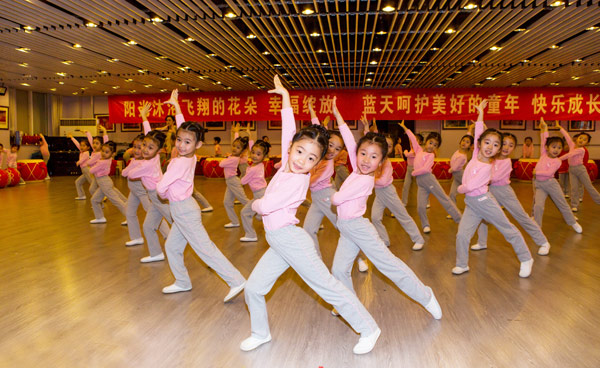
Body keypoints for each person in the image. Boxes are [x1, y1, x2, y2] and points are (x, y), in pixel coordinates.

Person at [241, 76, 381, 355]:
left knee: (327, 286)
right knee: (254, 288)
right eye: (299, 151)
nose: (301, 159)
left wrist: (255, 205)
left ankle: (369, 328)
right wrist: (285, 100)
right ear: (291, 148)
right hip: (278, 242)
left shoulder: (298, 180)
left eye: (311, 159)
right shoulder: (286, 167)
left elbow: (266, 207)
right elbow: (289, 131)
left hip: (292, 241)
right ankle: (260, 333)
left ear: (317, 165)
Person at [329, 96, 441, 325]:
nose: (366, 160)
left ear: (381, 163)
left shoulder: (365, 180)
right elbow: (351, 143)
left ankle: (426, 295)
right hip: (347, 229)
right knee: (339, 270)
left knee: (388, 265)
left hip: (358, 228)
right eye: (362, 154)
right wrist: (339, 117)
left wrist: (332, 194)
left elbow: (337, 198)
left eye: (373, 157)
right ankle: (345, 304)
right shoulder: (358, 169)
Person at [157, 89, 246, 299]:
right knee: (172, 247)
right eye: (179, 140)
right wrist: (177, 107)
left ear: (197, 145)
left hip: (184, 211)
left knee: (205, 249)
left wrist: (163, 187)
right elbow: (185, 130)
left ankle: (237, 280)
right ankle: (182, 281)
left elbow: (161, 189)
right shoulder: (191, 157)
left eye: (187, 142)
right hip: (181, 211)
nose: (181, 144)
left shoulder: (179, 162)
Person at [453, 100, 534, 278]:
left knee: (507, 229)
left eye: (496, 145)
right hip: (472, 204)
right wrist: (481, 112)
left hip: (484, 202)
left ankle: (526, 258)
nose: (490, 147)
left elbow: (470, 186)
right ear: (480, 144)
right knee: (462, 235)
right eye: (487, 142)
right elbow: (479, 131)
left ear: (498, 150)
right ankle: (462, 264)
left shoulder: (487, 168)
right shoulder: (475, 154)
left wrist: (459, 188)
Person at [472, 133, 552, 256]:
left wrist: (479, 178)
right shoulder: (491, 158)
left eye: (511, 145)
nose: (506, 147)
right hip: (490, 190)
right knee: (483, 216)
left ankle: (543, 242)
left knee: (521, 216)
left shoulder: (507, 162)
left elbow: (494, 178)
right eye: (504, 144)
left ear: (514, 149)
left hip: (504, 191)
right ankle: (482, 242)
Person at [126, 105, 172, 263]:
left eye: (149, 147)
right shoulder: (153, 156)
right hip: (154, 197)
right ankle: (156, 253)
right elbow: (149, 138)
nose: (144, 149)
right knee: (148, 226)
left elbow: (131, 175)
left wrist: (133, 166)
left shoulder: (146, 164)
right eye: (143, 145)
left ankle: (191, 245)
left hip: (159, 196)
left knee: (177, 223)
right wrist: (144, 117)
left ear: (158, 150)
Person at [397, 123, 461, 233]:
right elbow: (412, 138)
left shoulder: (431, 156)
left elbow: (426, 169)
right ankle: (425, 225)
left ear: (437, 148)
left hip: (428, 179)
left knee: (444, 199)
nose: (432, 146)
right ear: (426, 142)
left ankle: (459, 219)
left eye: (435, 145)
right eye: (430, 143)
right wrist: (405, 128)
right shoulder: (418, 150)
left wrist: (414, 172)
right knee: (421, 207)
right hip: (421, 183)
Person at [302, 102, 343, 254]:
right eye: (331, 145)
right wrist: (312, 110)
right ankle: (316, 260)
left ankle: (360, 258)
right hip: (317, 199)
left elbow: (312, 181)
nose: (333, 150)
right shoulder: (319, 156)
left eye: (338, 149)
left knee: (343, 228)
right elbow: (317, 128)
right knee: (308, 230)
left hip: (327, 197)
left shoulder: (328, 165)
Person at [532, 119, 582, 233]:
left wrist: (536, 172)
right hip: (539, 185)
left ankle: (573, 222)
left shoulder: (558, 161)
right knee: (538, 206)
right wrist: (544, 128)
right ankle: (537, 226)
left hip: (551, 184)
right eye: (553, 147)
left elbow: (549, 173)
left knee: (562, 204)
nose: (556, 150)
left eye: (559, 148)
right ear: (547, 147)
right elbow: (544, 139)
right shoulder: (543, 153)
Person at [89, 141, 128, 224]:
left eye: (106, 152)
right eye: (102, 151)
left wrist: (93, 162)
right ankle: (100, 218)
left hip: (104, 183)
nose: (103, 153)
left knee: (116, 201)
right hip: (103, 183)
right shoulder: (108, 159)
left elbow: (91, 170)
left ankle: (130, 217)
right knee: (94, 200)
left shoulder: (102, 162)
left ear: (112, 154)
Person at [219, 124, 250, 228]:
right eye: (233, 146)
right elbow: (236, 142)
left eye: (238, 148)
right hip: (229, 182)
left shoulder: (233, 158)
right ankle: (234, 221)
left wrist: (227, 157)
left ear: (242, 151)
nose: (234, 148)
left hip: (233, 181)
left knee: (244, 200)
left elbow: (221, 164)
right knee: (227, 202)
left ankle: (260, 213)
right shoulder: (233, 156)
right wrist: (236, 133)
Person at [239, 140, 270, 242]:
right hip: (262, 193)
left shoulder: (253, 169)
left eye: (258, 154)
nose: (254, 156)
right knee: (250, 213)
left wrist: (245, 172)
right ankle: (261, 214)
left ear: (264, 156)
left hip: (260, 194)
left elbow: (243, 181)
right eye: (253, 152)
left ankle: (251, 235)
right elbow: (252, 147)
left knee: (245, 212)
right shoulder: (259, 165)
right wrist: (250, 139)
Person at [566, 131, 600, 211]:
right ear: (577, 139)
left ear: (587, 143)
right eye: (580, 138)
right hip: (572, 169)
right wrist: (560, 128)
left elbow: (584, 161)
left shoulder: (582, 150)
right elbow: (567, 137)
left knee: (589, 186)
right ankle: (574, 205)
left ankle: (598, 200)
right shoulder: (572, 146)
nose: (581, 140)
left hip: (581, 169)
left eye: (584, 139)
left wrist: (558, 159)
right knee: (574, 188)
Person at [448, 133, 474, 206]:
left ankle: (475, 209)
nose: (464, 143)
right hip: (456, 177)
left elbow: (455, 168)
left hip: (461, 176)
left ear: (470, 146)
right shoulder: (457, 151)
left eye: (467, 142)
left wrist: (450, 170)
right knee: (452, 194)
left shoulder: (463, 156)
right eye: (463, 140)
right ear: (460, 142)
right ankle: (454, 212)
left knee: (470, 194)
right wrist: (470, 129)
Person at [401, 133, 423, 205]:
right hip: (409, 169)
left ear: (420, 142)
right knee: (405, 186)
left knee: (421, 186)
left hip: (416, 169)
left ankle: (426, 202)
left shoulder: (418, 149)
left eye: (416, 139)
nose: (412, 140)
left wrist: (405, 151)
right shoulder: (411, 149)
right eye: (412, 139)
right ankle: (404, 202)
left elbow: (407, 154)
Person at [68, 134, 92, 199]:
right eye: (81, 145)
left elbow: (83, 160)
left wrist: (78, 162)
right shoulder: (82, 151)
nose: (81, 147)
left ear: (88, 147)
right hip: (84, 171)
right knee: (78, 182)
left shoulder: (86, 153)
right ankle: (81, 195)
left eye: (84, 146)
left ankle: (100, 196)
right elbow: (77, 144)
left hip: (87, 170)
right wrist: (72, 137)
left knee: (92, 184)